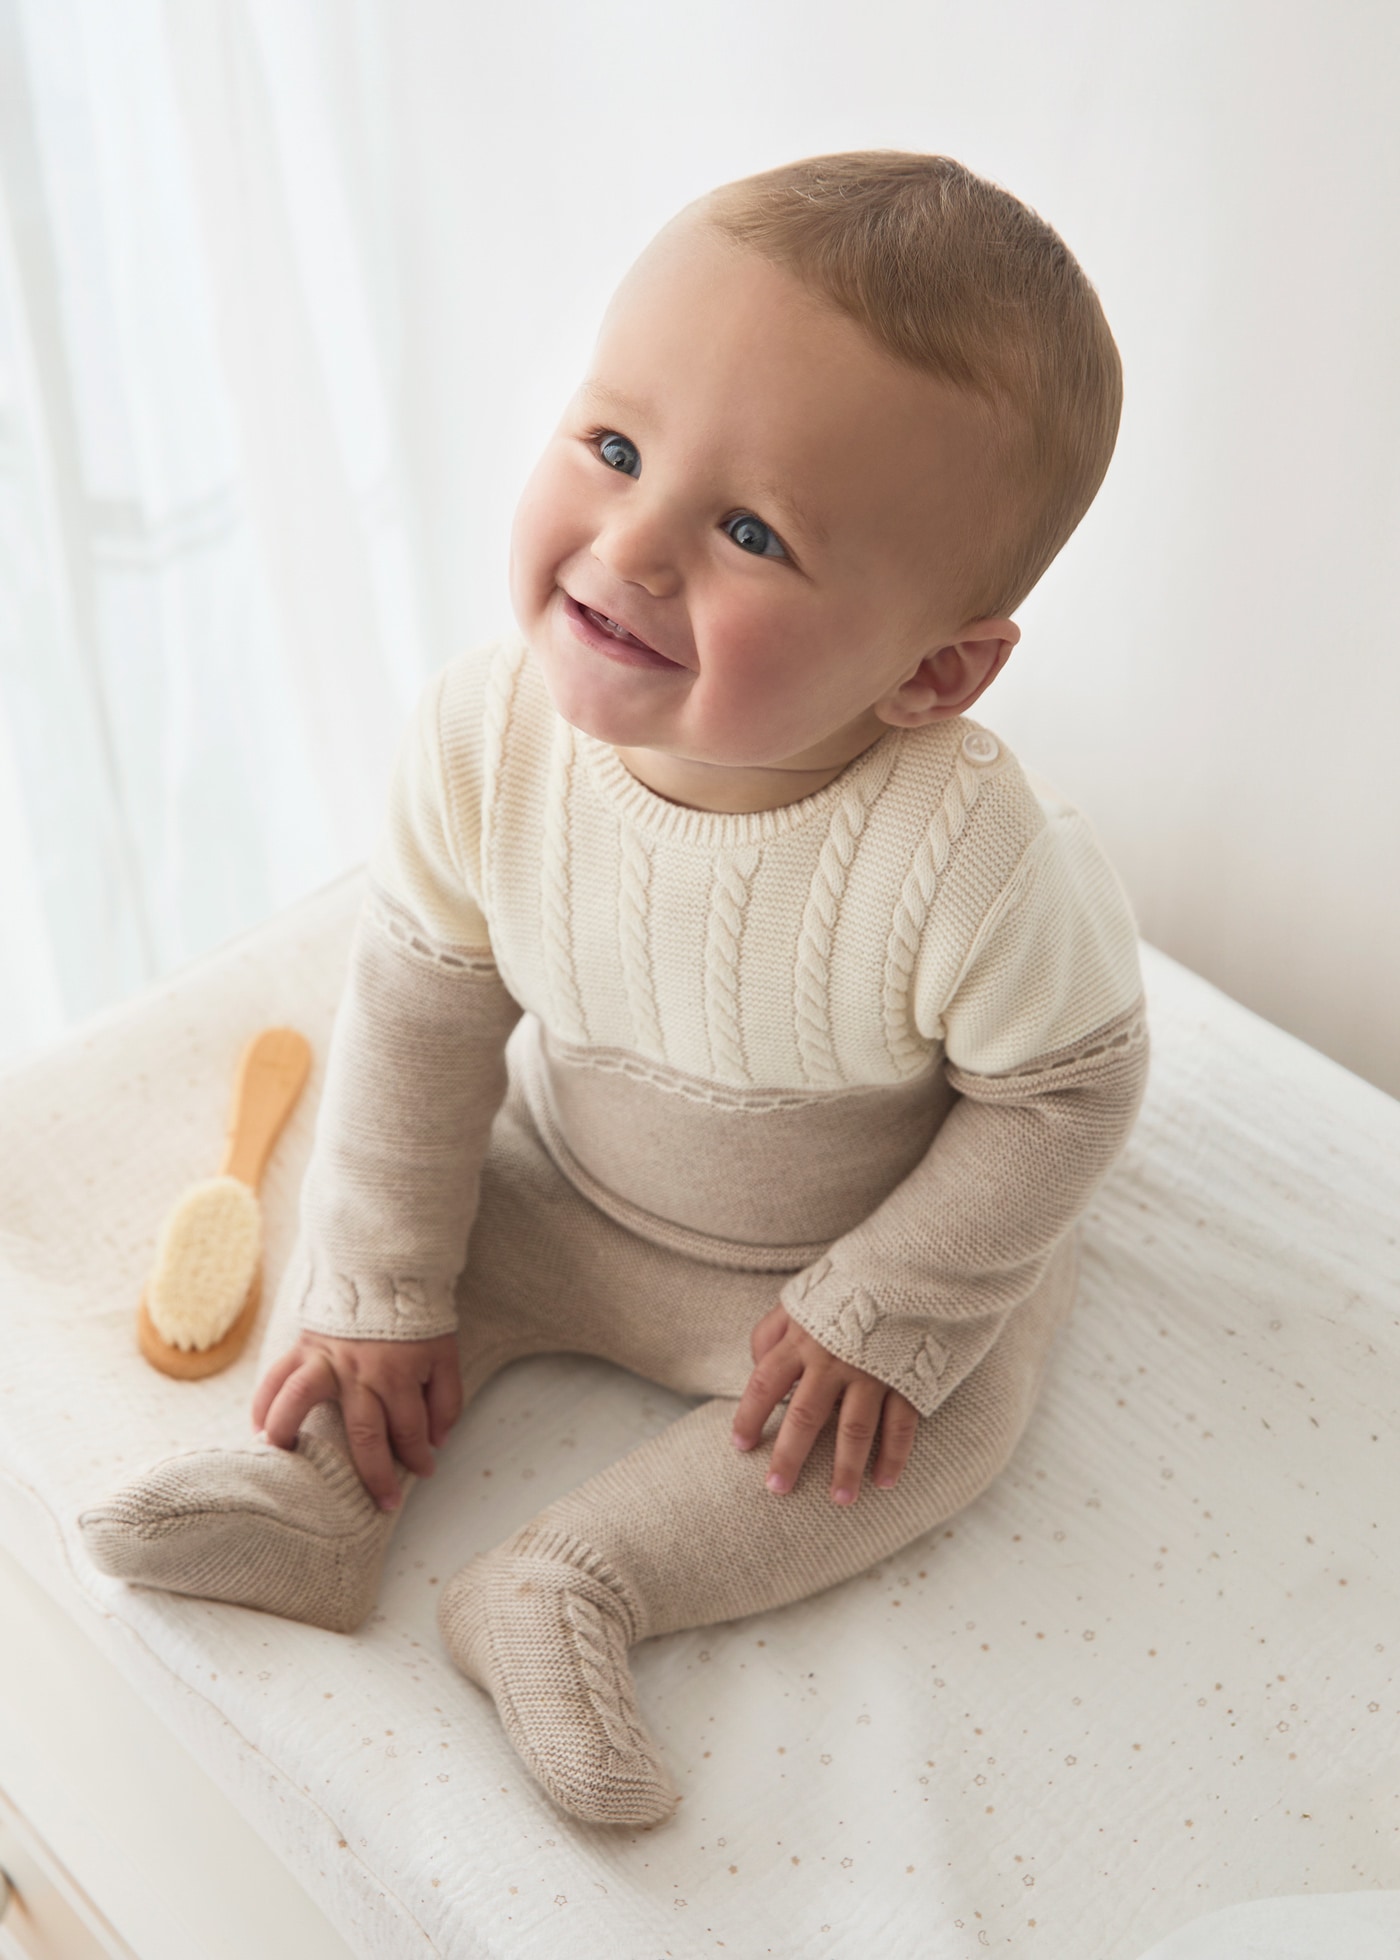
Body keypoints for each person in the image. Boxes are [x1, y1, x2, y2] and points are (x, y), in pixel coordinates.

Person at [79, 150, 1149, 1829]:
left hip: (816, 1285)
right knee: (402, 1247)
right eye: (614, 447)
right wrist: (380, 1288)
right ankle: (318, 1509)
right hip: (567, 1187)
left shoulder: (975, 861)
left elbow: (1069, 1094)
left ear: (934, 670)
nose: (630, 548)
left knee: (947, 1413)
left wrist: (887, 1303)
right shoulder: (481, 741)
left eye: (750, 532)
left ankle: (574, 1582)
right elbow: (422, 1019)